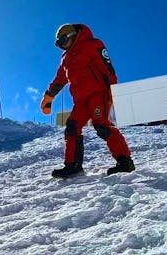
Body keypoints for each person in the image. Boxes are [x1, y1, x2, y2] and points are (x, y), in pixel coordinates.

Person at [40, 23, 135, 178]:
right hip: (80, 100)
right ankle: (73, 166)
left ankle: (125, 162)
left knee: (101, 124)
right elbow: (59, 80)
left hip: (98, 93)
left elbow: (107, 69)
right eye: (59, 44)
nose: (62, 46)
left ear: (71, 36)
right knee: (72, 126)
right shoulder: (65, 59)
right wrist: (49, 96)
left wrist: (114, 91)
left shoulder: (92, 45)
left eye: (63, 41)